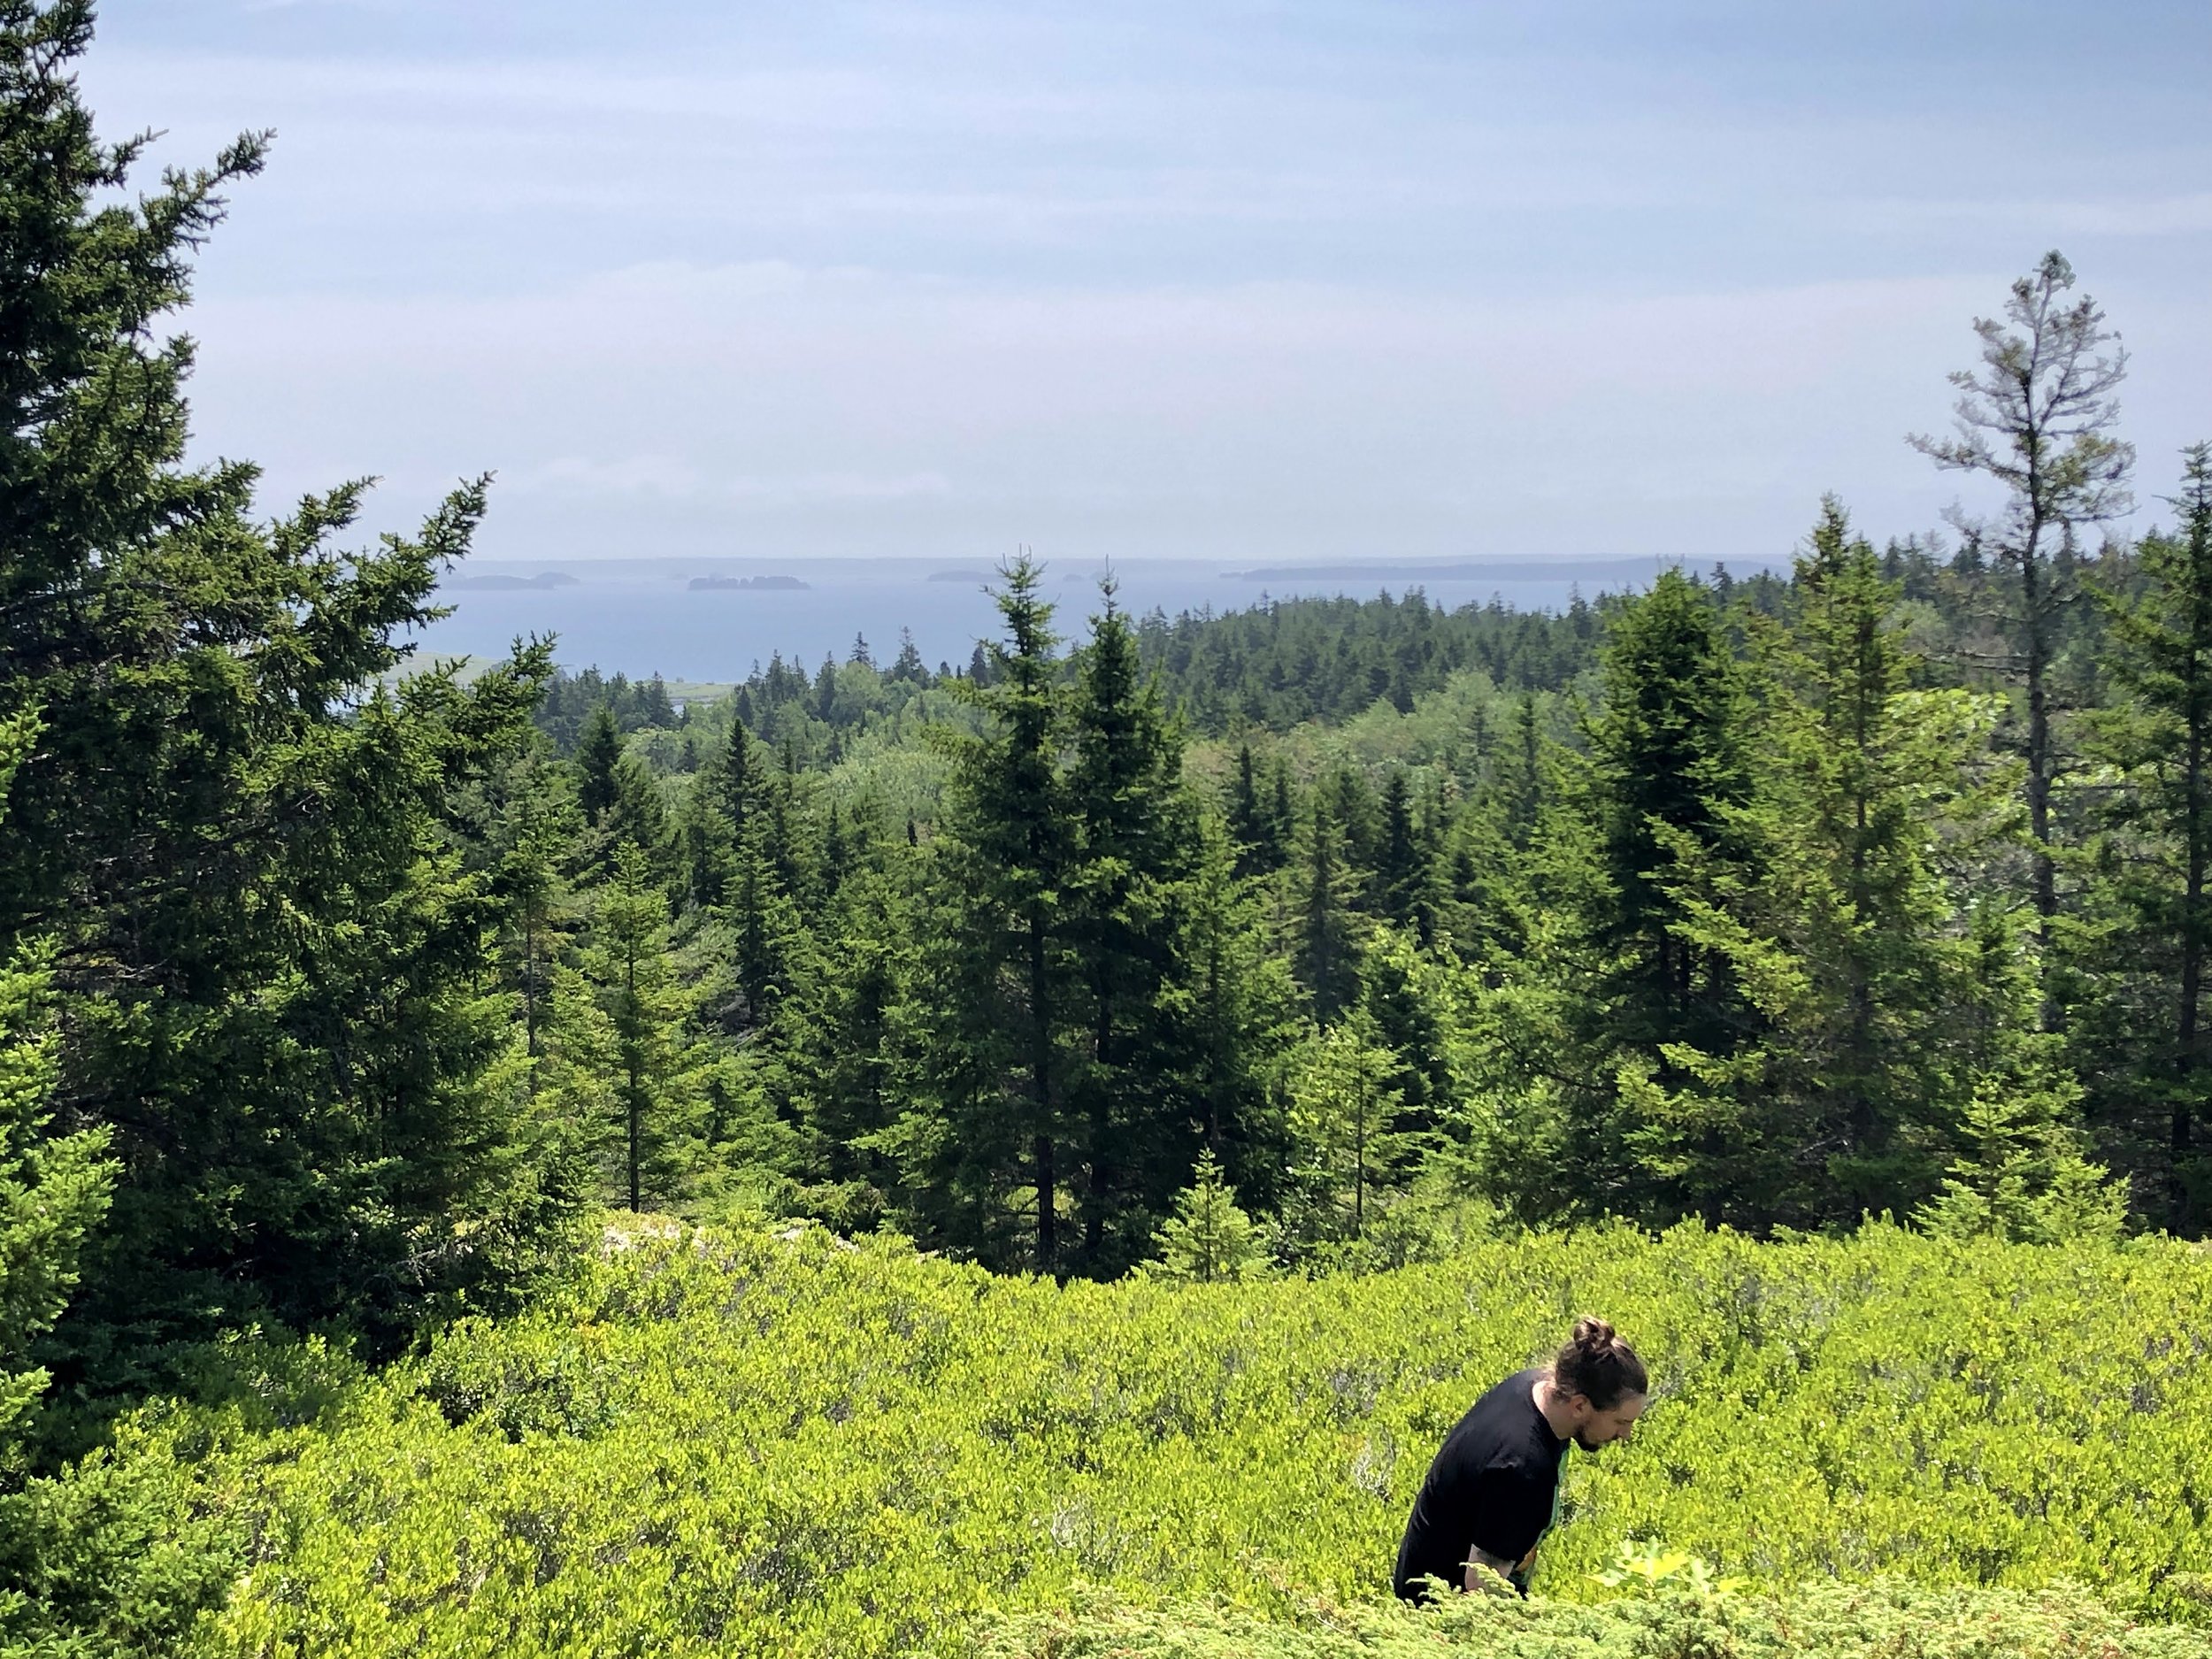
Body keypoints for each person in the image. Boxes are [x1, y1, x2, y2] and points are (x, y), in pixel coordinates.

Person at [1392, 1316, 1647, 1602]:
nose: (1625, 1435)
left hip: (1420, 1575)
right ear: (1579, 1405)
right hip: (1437, 1614)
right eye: (1620, 1422)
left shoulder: (1532, 1386)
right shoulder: (1523, 1470)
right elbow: (1481, 1592)